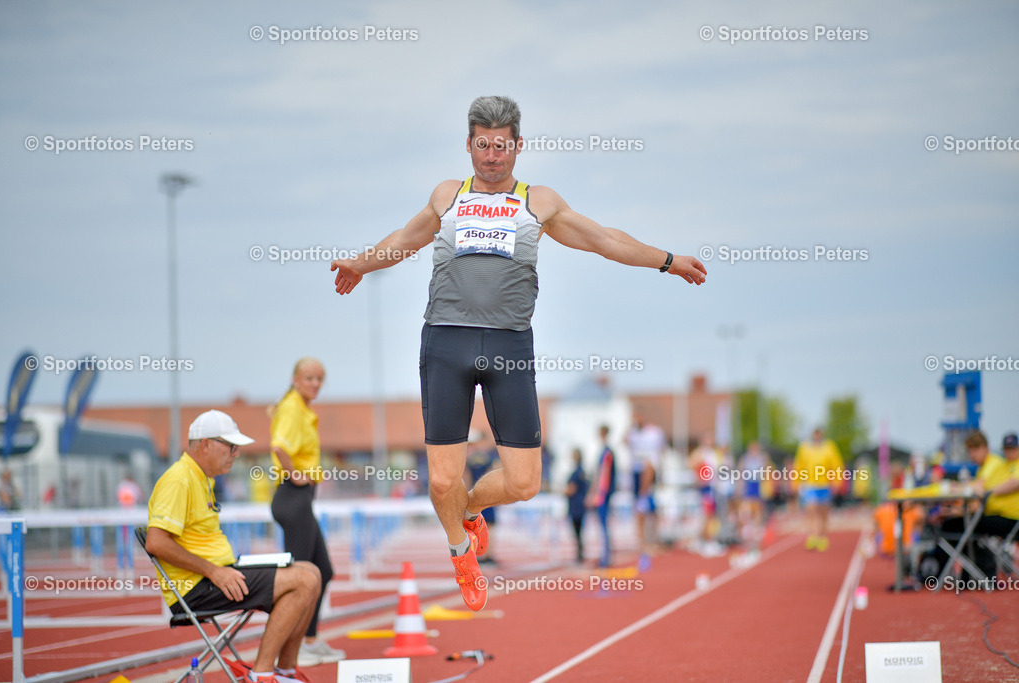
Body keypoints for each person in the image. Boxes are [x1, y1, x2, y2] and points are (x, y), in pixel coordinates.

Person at [330, 96, 706, 610]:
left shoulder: (539, 202)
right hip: (446, 340)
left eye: (501, 147)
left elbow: (603, 239)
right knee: (442, 478)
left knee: (525, 483)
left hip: (509, 344)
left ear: (518, 146)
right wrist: (361, 264)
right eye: (483, 145)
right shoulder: (448, 195)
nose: (492, 156)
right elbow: (405, 239)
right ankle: (461, 552)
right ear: (468, 145)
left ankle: (469, 511)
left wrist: (666, 260)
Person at [146, 410, 321, 683]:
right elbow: (156, 542)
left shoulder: (201, 477)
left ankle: (285, 671)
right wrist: (215, 572)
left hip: (215, 575)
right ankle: (261, 674)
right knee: (303, 581)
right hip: (197, 586)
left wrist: (219, 570)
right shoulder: (179, 479)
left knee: (312, 571)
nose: (236, 453)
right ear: (206, 444)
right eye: (231, 446)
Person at [268, 358, 344, 666]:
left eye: (319, 379)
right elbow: (279, 446)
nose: (315, 384)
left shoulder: (302, 407)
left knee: (322, 571)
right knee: (300, 579)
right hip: (293, 496)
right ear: (295, 379)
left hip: (300, 499)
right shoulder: (292, 407)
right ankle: (291, 648)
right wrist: (296, 475)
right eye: (309, 378)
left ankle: (308, 641)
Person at [928, 431, 1019, 581]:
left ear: (985, 448)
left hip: (1009, 520)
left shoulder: (995, 463)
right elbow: (976, 499)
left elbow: (979, 491)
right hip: (998, 516)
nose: (972, 455)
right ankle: (973, 574)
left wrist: (956, 489)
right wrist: (951, 510)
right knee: (955, 524)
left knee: (954, 526)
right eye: (1006, 449)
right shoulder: (1001, 465)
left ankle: (974, 574)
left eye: (975, 450)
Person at [792, 427, 843, 551]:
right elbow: (799, 466)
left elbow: (836, 464)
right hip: (810, 484)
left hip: (825, 484)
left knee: (823, 513)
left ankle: (822, 536)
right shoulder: (804, 448)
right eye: (815, 434)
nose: (817, 436)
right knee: (811, 509)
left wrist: (837, 481)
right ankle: (813, 536)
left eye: (819, 434)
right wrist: (796, 482)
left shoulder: (829, 447)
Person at [627, 414, 665, 565]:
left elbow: (651, 467)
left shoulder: (653, 434)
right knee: (642, 515)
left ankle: (651, 541)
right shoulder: (634, 434)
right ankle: (644, 543)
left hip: (646, 488)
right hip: (641, 485)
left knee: (651, 515)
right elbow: (625, 440)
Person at [464, 433, 500, 565]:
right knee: (489, 526)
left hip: (474, 496)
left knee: (473, 527)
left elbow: (466, 478)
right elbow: (494, 474)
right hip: (487, 496)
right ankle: (488, 555)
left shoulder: (468, 459)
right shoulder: (489, 457)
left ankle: (476, 556)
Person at [587, 425, 617, 568]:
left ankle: (606, 556)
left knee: (603, 525)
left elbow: (603, 474)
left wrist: (596, 493)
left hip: (603, 492)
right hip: (604, 491)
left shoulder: (606, 452)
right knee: (603, 525)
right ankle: (605, 554)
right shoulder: (606, 451)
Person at [564, 448, 589, 564]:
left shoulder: (575, 474)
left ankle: (579, 555)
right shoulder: (582, 472)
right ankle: (580, 554)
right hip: (581, 505)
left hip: (575, 506)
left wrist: (560, 491)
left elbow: (571, 490)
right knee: (580, 532)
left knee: (577, 532)